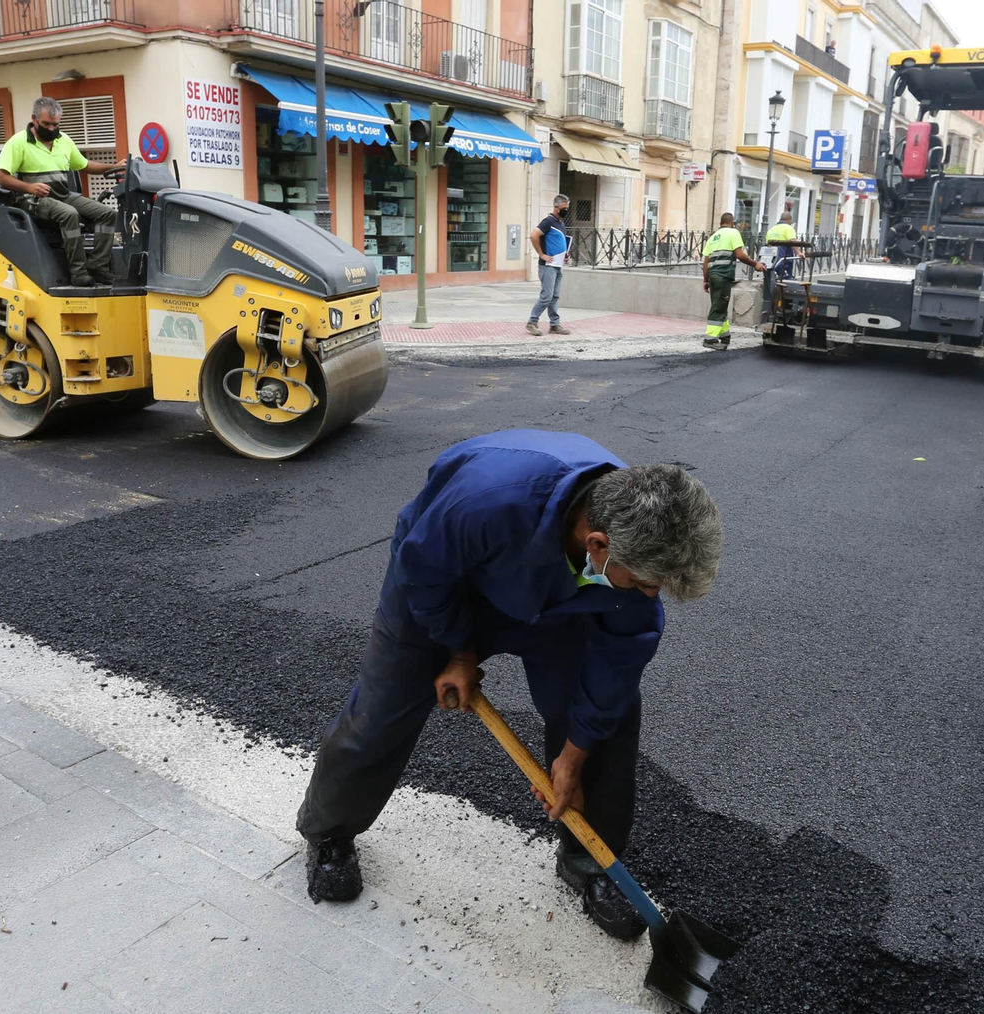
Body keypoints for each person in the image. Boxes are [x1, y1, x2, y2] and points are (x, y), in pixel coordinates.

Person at [295, 430, 723, 941]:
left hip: (564, 606)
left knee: (607, 723)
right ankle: (329, 832)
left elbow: (617, 664)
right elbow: (425, 569)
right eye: (646, 584)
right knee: (381, 710)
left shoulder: (631, 560)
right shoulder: (489, 499)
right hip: (448, 587)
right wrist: (458, 650)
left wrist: (574, 753)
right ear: (598, 545)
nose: (650, 595)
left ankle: (590, 861)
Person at [0, 97, 124, 287]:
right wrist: (30, 187)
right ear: (34, 119)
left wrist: (113, 166)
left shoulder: (63, 140)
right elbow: (1, 177)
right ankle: (79, 274)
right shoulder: (18, 142)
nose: (51, 129)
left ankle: (97, 267)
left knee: (108, 214)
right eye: (46, 124)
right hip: (32, 199)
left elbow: (86, 165)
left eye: (55, 125)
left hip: (62, 195)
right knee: (69, 214)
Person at [701, 212, 765, 350]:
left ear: (721, 223)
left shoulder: (712, 238)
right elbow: (739, 254)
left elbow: (706, 262)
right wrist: (755, 264)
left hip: (712, 275)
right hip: (723, 275)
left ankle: (724, 336)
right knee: (718, 307)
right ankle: (709, 339)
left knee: (721, 305)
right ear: (731, 223)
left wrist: (705, 280)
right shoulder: (733, 233)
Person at [527, 195, 572, 336]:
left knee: (555, 296)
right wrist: (541, 254)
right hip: (548, 265)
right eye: (564, 208)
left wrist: (565, 254)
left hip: (558, 264)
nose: (566, 210)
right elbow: (534, 235)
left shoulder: (560, 223)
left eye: (567, 208)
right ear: (556, 208)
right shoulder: (548, 222)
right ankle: (532, 322)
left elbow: (557, 241)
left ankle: (555, 325)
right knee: (546, 296)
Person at [765, 211, 803, 280]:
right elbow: (793, 241)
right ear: (789, 219)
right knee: (785, 280)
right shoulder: (788, 228)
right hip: (784, 258)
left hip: (771, 259)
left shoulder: (771, 229)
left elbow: (768, 245)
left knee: (772, 279)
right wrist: (799, 253)